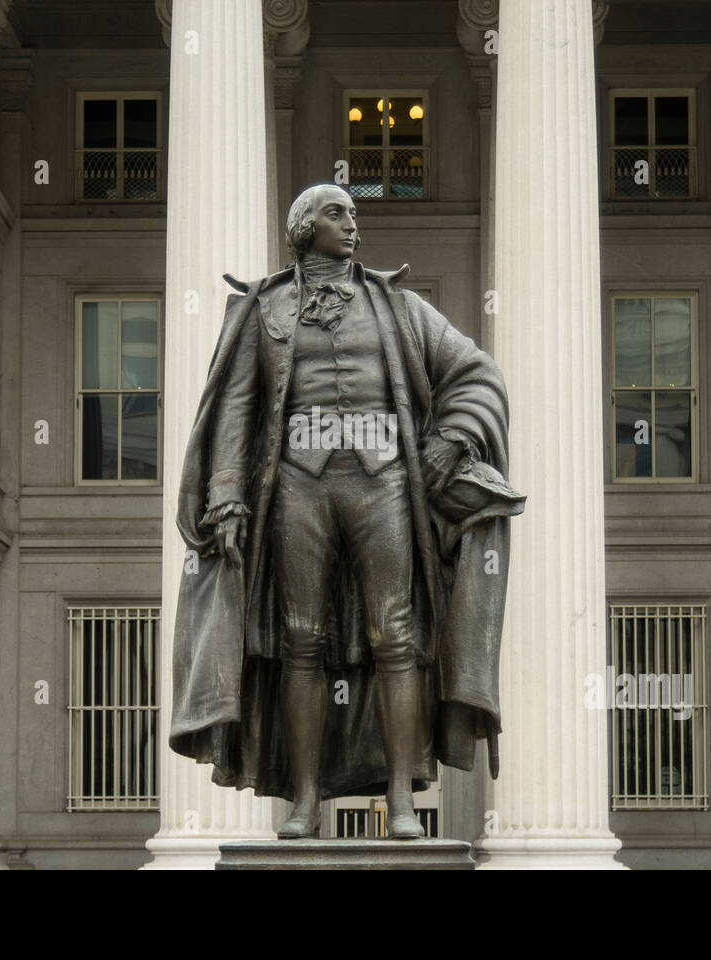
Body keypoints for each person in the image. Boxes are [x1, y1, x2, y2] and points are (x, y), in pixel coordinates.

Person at [169, 183, 522, 840]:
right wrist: (226, 494)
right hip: (297, 487)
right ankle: (303, 802)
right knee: (300, 639)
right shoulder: (262, 310)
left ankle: (403, 801)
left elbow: (476, 374)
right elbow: (237, 408)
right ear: (305, 227)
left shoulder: (400, 308)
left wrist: (448, 441)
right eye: (339, 214)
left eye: (355, 215)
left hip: (383, 484)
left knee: (396, 636)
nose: (354, 225)